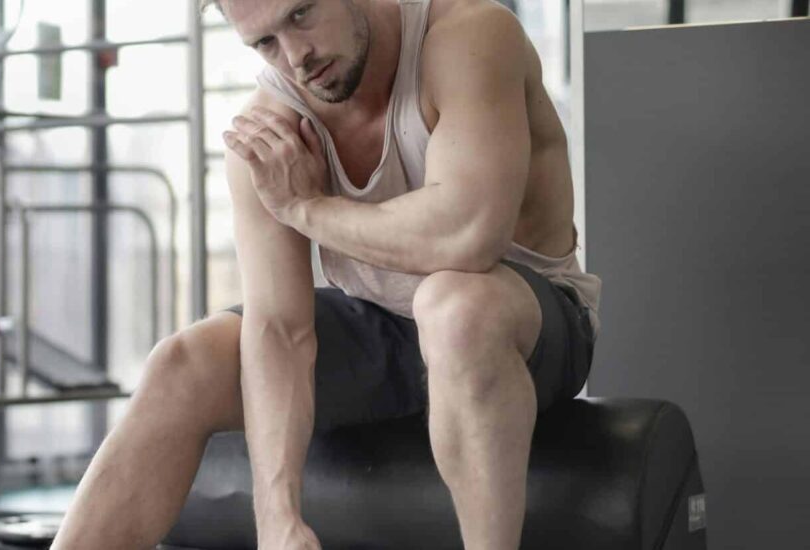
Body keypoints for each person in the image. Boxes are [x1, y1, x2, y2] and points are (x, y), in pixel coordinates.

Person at [52, 0, 602, 548]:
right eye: (265, 42)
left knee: (453, 305)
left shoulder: (469, 35)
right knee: (182, 363)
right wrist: (278, 521)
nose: (296, 57)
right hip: (383, 329)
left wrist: (306, 209)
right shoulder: (270, 131)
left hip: (521, 323)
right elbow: (279, 330)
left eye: (301, 14)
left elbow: (467, 235)